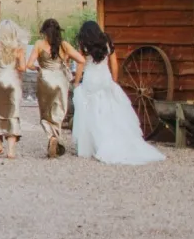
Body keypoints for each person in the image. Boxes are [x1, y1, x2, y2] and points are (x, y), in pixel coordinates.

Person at [70, 21, 165, 165]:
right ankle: (116, 139)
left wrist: (77, 82)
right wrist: (114, 81)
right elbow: (114, 63)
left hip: (90, 79)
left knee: (92, 111)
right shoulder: (106, 40)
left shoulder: (84, 43)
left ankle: (94, 143)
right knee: (111, 109)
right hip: (104, 77)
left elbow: (81, 64)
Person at [28, 18, 86, 158]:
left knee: (45, 111)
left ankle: (51, 137)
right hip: (60, 80)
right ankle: (56, 137)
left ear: (44, 31)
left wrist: (38, 68)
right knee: (59, 109)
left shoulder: (39, 44)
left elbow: (28, 64)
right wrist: (66, 61)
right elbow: (82, 60)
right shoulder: (64, 45)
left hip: (45, 79)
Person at [0, 19, 29, 159]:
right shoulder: (19, 47)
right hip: (13, 84)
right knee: (12, 114)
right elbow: (22, 68)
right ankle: (11, 150)